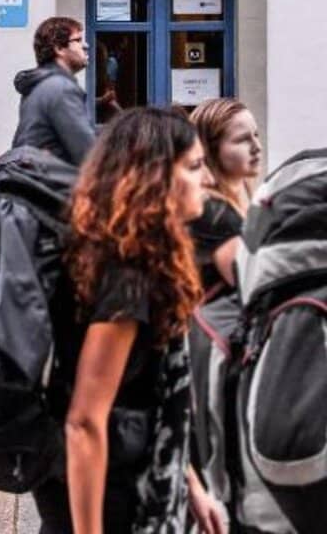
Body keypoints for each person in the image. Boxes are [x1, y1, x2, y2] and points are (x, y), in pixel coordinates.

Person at [34, 108, 225, 534]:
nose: (208, 180)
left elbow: (152, 395)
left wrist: (189, 484)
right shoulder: (126, 277)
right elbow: (84, 421)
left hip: (119, 478)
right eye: (194, 166)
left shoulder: (127, 256)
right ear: (155, 177)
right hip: (108, 496)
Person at [188, 97, 262, 291]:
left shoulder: (220, 205)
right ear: (211, 149)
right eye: (242, 140)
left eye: (256, 135)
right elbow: (251, 288)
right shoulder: (216, 213)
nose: (257, 147)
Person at [12, 17, 98, 166]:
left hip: (34, 181)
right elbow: (87, 153)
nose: (85, 45)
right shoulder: (61, 89)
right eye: (77, 40)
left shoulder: (40, 86)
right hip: (51, 185)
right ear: (59, 49)